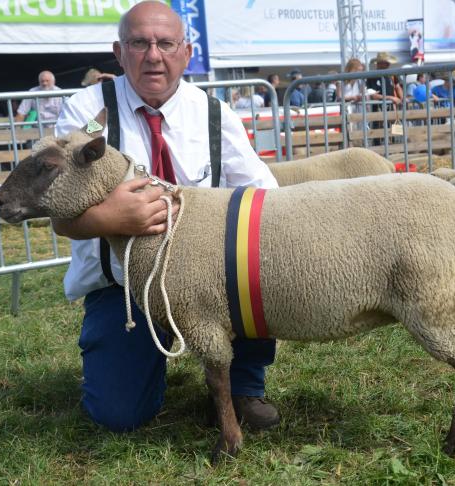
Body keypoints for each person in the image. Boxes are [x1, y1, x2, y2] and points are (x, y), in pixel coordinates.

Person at [51, 1, 280, 433]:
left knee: (253, 271)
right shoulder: (86, 114)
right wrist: (110, 218)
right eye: (139, 43)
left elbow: (265, 198)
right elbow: (60, 215)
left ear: (186, 53)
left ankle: (243, 388)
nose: (153, 55)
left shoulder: (214, 114)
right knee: (120, 416)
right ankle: (135, 366)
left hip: (210, 281)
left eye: (165, 43)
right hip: (125, 287)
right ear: (119, 53)